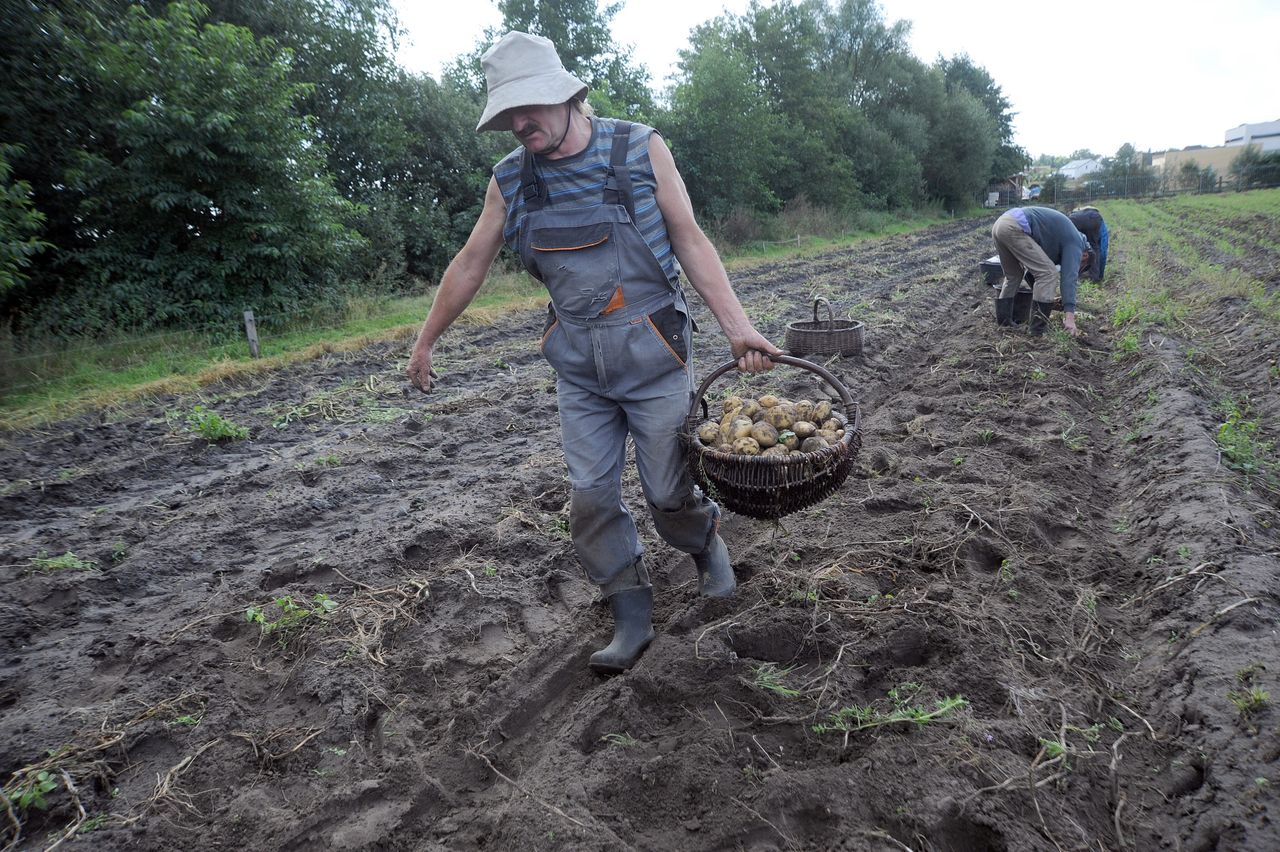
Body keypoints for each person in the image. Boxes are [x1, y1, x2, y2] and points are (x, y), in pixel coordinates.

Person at [405, 32, 781, 675]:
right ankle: (629, 607)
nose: (522, 124)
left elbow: (689, 239)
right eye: (509, 115)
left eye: (532, 108)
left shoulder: (638, 147)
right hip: (578, 361)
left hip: (653, 349)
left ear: (568, 94)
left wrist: (737, 326)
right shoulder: (510, 179)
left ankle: (704, 542)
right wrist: (426, 338)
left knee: (667, 492)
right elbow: (471, 262)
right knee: (591, 496)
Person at [990, 205, 1093, 337]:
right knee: (1048, 273)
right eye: (1081, 266)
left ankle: (1004, 323)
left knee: (1013, 275)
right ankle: (1037, 331)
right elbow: (1069, 280)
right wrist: (1070, 317)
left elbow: (1031, 274)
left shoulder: (1062, 239)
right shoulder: (1076, 242)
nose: (1076, 267)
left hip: (1001, 224)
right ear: (1085, 256)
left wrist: (1046, 297)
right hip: (1015, 227)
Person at [1068, 205, 1109, 281]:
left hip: (1073, 220)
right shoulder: (1098, 218)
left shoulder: (1075, 214)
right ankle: (1095, 278)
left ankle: (1074, 276)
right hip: (1093, 219)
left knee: (1073, 248)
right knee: (1095, 247)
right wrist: (1101, 274)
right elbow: (1103, 249)